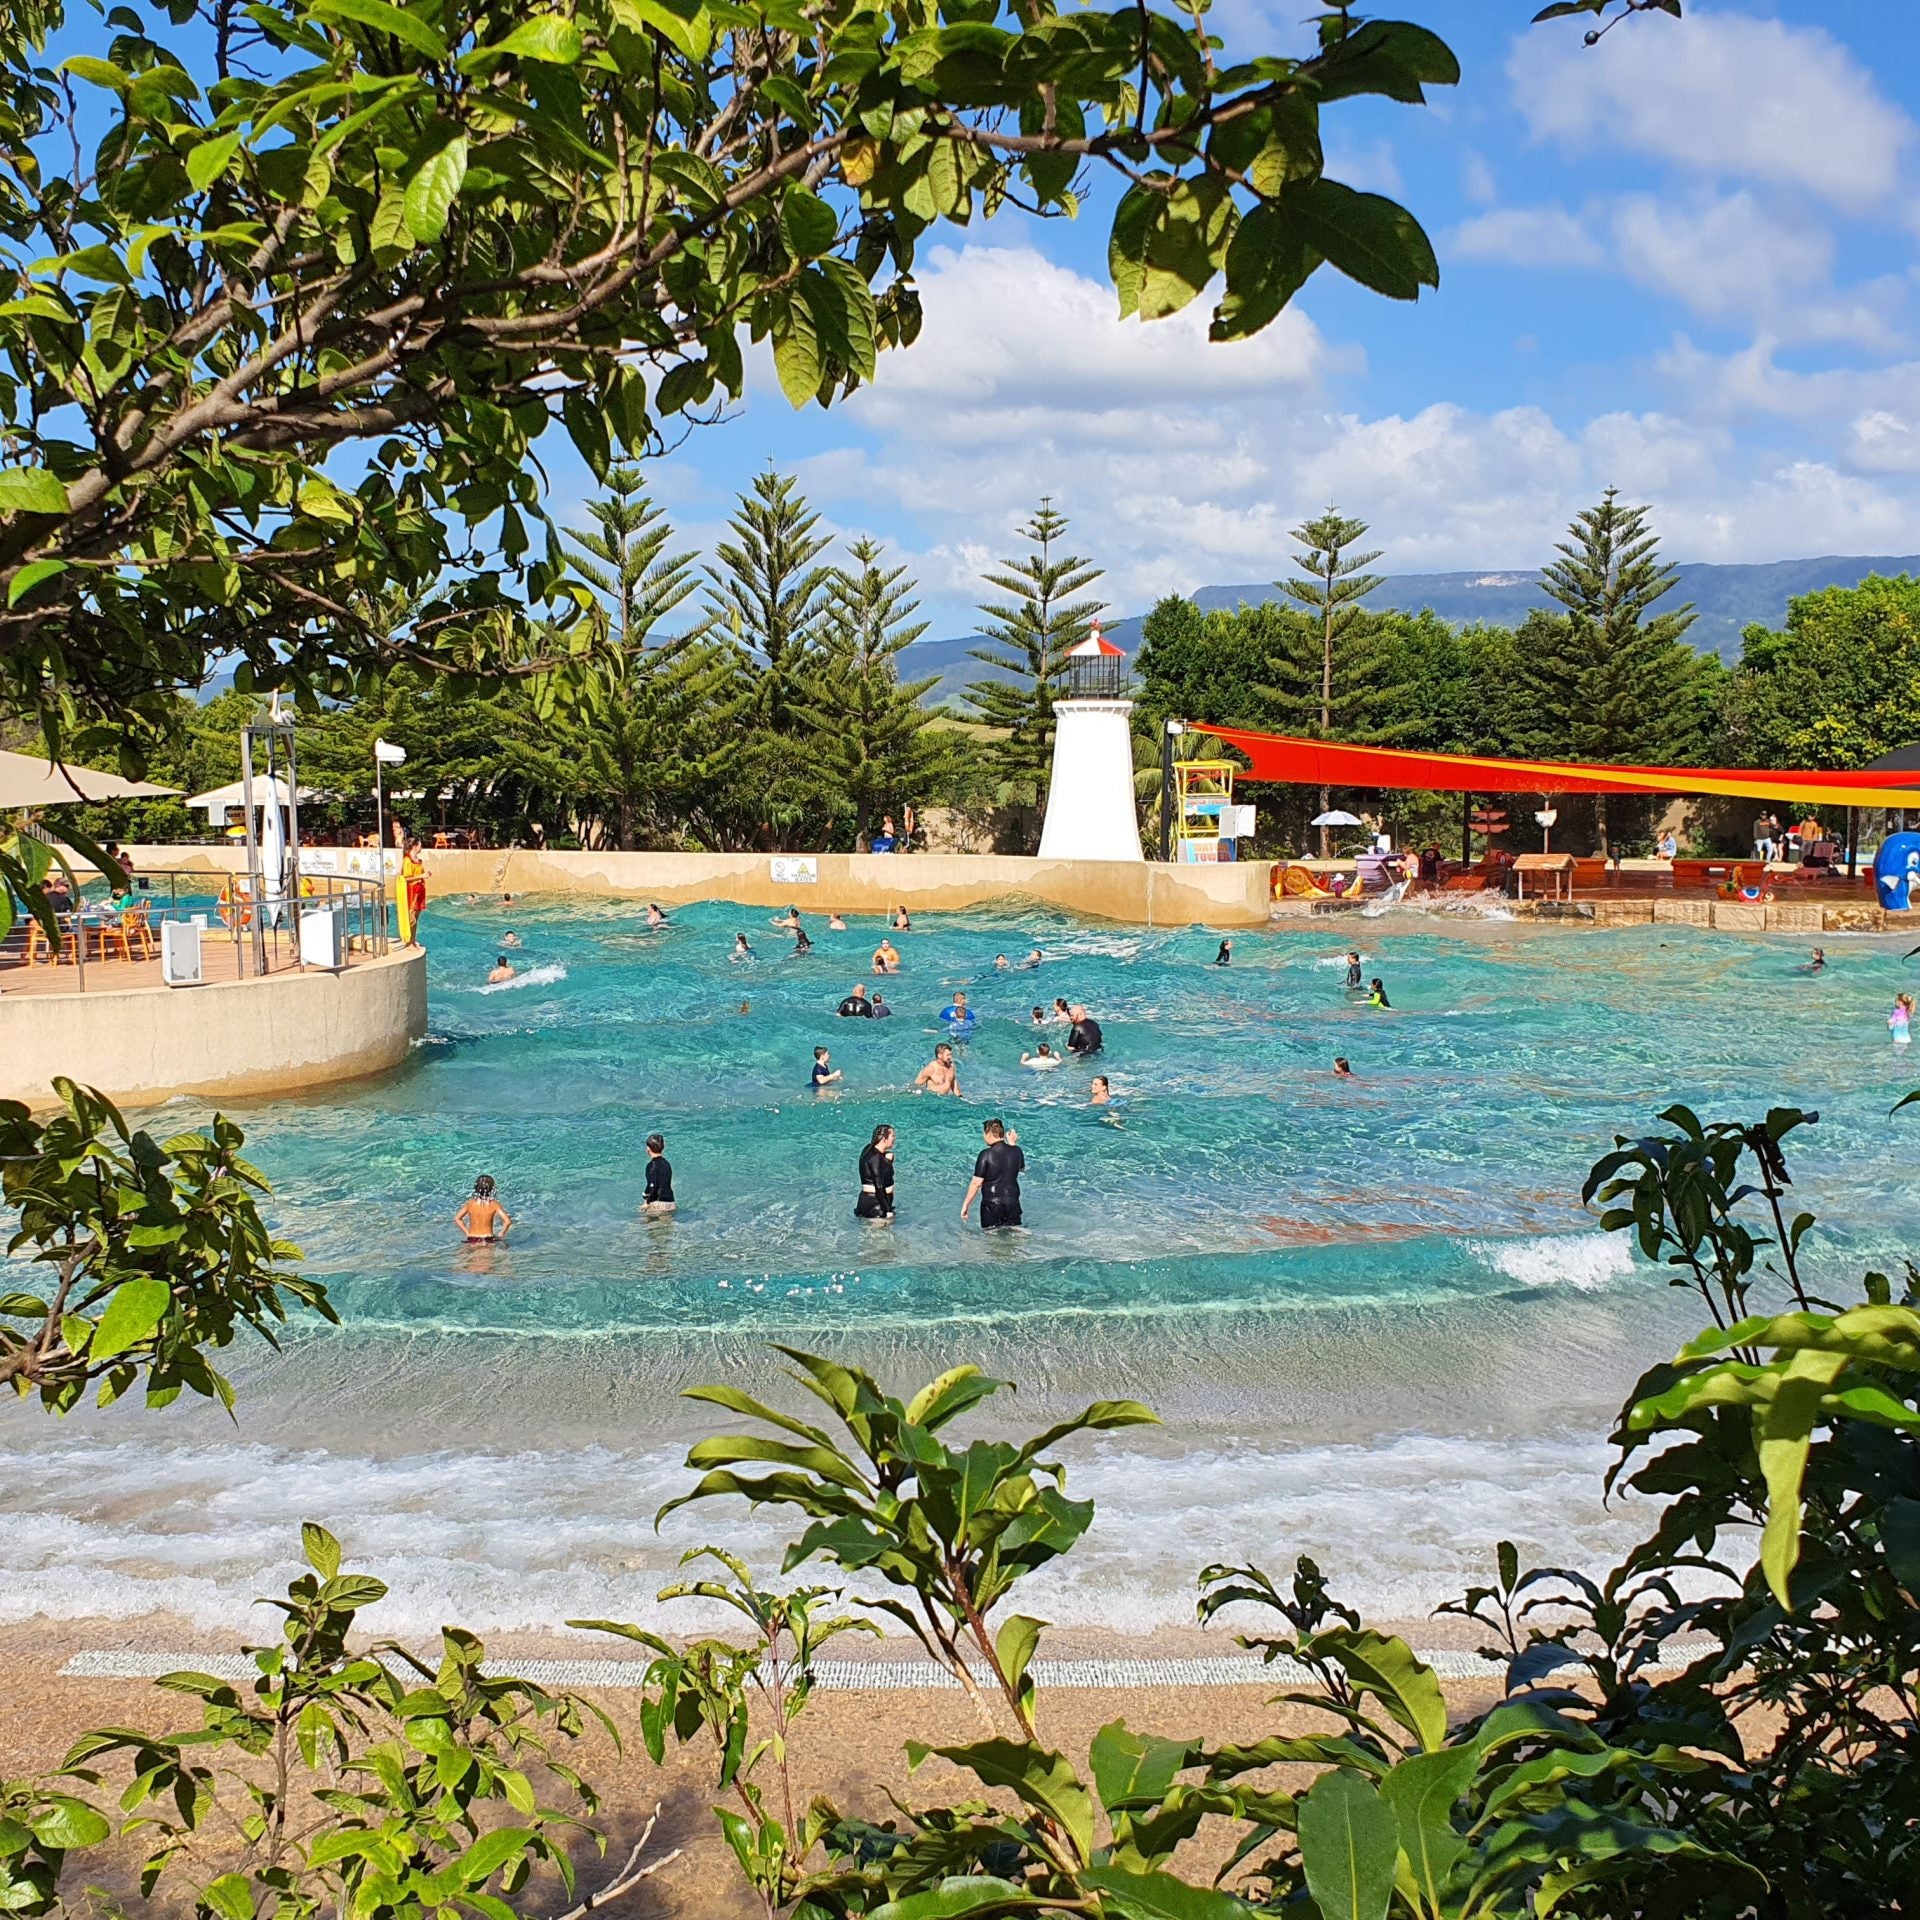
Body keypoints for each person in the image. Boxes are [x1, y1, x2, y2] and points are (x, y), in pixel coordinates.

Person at [962, 1118, 1024, 1229]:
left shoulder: (985, 1154)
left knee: (991, 1237)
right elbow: (1020, 1168)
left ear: (989, 1133)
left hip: (992, 1205)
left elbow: (976, 1183)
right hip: (1012, 1203)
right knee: (1015, 1233)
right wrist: (1012, 1144)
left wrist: (966, 1205)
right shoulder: (1017, 1151)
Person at [455, 1175, 512, 1244]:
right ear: (492, 1189)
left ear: (476, 1188)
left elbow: (457, 1218)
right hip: (487, 1240)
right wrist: (500, 1235)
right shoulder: (494, 1204)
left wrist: (467, 1233)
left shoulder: (470, 1203)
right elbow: (507, 1221)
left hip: (472, 1240)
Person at [856, 1124, 896, 1220]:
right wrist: (888, 1210)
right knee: (880, 1234)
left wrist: (887, 1160)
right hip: (876, 1204)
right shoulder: (876, 1158)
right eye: (892, 1136)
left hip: (870, 1201)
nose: (894, 1139)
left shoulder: (868, 1149)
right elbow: (879, 1185)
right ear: (884, 1139)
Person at [642, 1133, 676, 1213]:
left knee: (645, 1223)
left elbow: (652, 1185)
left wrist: (646, 1199)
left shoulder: (651, 1166)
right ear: (663, 1147)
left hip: (658, 1204)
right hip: (671, 1202)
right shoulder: (667, 1164)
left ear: (648, 1149)